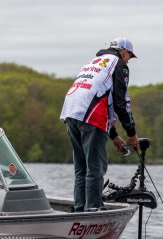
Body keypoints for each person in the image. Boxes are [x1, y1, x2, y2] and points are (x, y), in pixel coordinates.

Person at [60, 37, 140, 211]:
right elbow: (120, 103)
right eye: (129, 57)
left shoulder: (94, 62)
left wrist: (113, 135)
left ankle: (80, 209)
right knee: (95, 168)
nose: (128, 61)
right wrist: (131, 133)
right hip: (91, 115)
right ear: (124, 52)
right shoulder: (119, 65)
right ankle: (93, 210)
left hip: (71, 112)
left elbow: (100, 97)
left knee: (81, 168)